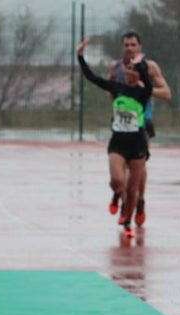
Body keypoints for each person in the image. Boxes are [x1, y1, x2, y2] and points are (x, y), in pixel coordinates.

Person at [76, 37, 152, 238]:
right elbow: (92, 77)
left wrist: (139, 65)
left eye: (133, 70)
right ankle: (117, 194)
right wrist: (80, 56)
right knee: (117, 180)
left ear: (138, 74)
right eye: (127, 70)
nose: (129, 73)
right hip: (118, 144)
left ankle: (127, 222)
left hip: (137, 145)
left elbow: (149, 83)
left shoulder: (143, 93)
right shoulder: (116, 88)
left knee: (133, 189)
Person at [108, 31, 172, 227]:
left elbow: (166, 93)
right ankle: (124, 200)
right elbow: (109, 90)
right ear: (122, 47)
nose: (130, 48)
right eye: (126, 45)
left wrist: (144, 89)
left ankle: (140, 201)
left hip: (143, 121)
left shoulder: (149, 67)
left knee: (138, 166)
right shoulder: (116, 67)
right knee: (120, 168)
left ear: (139, 47)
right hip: (121, 122)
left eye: (133, 45)